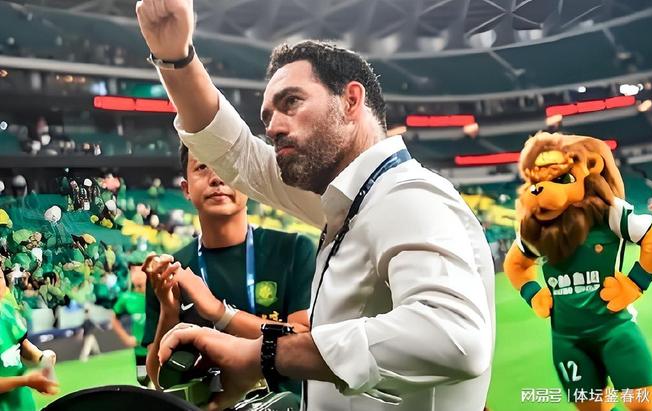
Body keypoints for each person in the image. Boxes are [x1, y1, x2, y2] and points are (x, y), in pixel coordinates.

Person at [136, 1, 495, 410]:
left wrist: (264, 356)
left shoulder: (406, 196)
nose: (273, 127)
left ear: (351, 100)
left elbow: (455, 337)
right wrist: (176, 58)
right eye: (267, 116)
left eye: (291, 102)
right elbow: (236, 154)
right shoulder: (353, 202)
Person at [141, 144, 316, 398]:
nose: (217, 178)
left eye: (227, 165)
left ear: (248, 182)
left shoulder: (294, 249)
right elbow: (159, 381)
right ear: (186, 189)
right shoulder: (170, 270)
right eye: (202, 166)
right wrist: (169, 311)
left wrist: (219, 312)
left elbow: (306, 343)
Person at [0, 270, 59, 411]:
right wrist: (25, 381)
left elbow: (22, 344)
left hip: (23, 404)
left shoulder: (6, 309)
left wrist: (42, 358)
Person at [111, 261, 148, 385]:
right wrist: (126, 338)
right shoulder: (127, 298)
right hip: (140, 351)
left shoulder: (157, 294)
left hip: (160, 349)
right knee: (143, 382)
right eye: (132, 271)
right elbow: (113, 318)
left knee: (163, 384)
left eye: (139, 270)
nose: (135, 274)